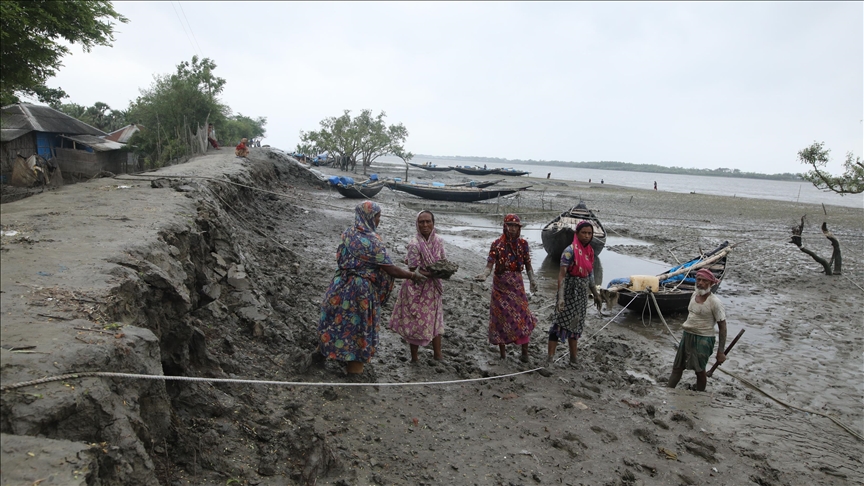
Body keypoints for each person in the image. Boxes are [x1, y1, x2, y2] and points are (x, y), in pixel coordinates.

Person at [317, 201, 426, 375]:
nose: (379, 221)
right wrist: (413, 276)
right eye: (377, 217)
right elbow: (389, 268)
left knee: (335, 321)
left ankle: (322, 354)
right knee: (358, 330)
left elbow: (341, 258)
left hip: (339, 286)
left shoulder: (347, 234)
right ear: (369, 217)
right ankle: (354, 372)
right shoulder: (372, 242)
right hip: (360, 292)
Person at [474, 214, 538, 362]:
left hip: (517, 285)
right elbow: (489, 264)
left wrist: (533, 280)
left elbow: (528, 265)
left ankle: (525, 353)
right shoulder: (496, 244)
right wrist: (484, 275)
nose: (513, 229)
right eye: (510, 225)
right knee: (500, 319)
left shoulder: (523, 244)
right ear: (504, 226)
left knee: (523, 317)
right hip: (500, 287)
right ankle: (503, 354)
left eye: (516, 226)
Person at [388, 211, 444, 362]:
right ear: (417, 224)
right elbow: (414, 270)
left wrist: (443, 270)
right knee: (416, 322)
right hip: (417, 288)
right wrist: (435, 272)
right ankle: (414, 358)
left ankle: (438, 355)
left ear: (433, 223)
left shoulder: (438, 241)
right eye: (421, 222)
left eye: (428, 222)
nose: (425, 225)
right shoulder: (414, 244)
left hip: (433, 289)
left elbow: (443, 261)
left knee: (435, 320)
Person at [546, 221, 600, 365]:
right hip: (568, 291)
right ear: (577, 234)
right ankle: (550, 358)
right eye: (584, 233)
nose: (587, 236)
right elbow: (562, 275)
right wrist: (561, 297)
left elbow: (590, 274)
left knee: (576, 325)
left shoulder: (590, 252)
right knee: (558, 323)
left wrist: (595, 293)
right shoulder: (569, 251)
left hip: (581, 294)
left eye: (589, 233)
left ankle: (573, 358)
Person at [667, 268, 727, 391]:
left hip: (703, 339)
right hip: (687, 335)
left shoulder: (715, 302)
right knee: (677, 367)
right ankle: (668, 389)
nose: (700, 283)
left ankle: (699, 394)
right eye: (698, 280)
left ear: (710, 283)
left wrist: (721, 352)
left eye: (704, 281)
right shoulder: (694, 295)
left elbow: (723, 327)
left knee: (700, 370)